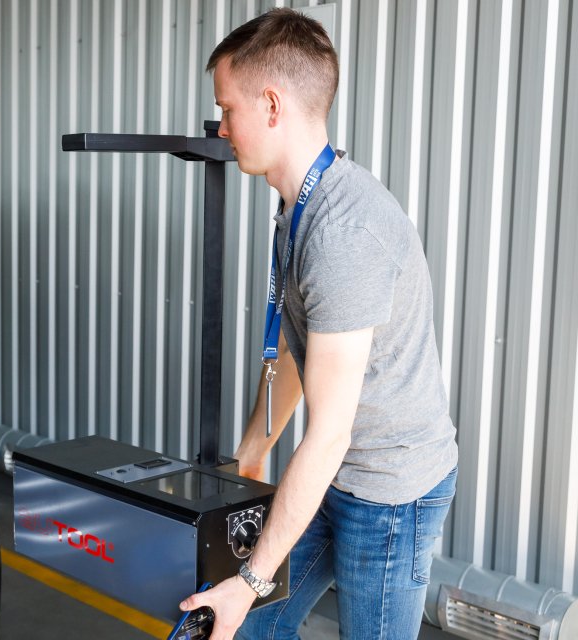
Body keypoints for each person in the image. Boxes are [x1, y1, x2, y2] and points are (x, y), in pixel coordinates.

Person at [178, 8, 459, 640]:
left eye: (227, 109)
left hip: (391, 493)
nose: (221, 128)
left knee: (250, 601)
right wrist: (253, 448)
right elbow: (300, 353)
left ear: (271, 105)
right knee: (245, 629)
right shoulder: (297, 207)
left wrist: (249, 579)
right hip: (333, 473)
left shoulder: (344, 234)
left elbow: (328, 433)